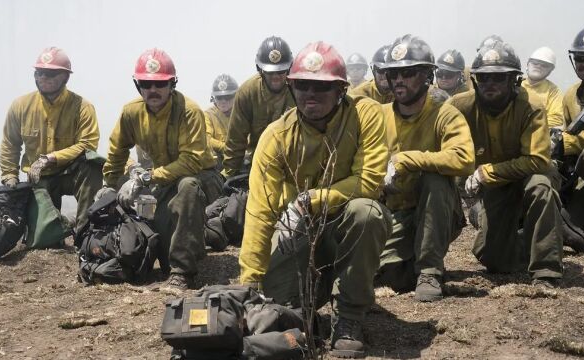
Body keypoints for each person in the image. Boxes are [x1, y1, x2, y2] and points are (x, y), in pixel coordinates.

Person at [239, 41, 390, 358]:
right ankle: (309, 304)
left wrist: (316, 199)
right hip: (301, 232)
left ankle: (349, 318)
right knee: (279, 310)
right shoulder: (276, 135)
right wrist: (248, 285)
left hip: (345, 226)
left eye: (321, 87)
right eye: (302, 85)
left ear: (341, 90)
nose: (310, 94)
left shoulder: (367, 115)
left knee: (368, 212)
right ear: (291, 88)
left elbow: (370, 180)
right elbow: (259, 212)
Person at [102, 48, 222, 290]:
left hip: (200, 177)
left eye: (160, 84)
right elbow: (117, 151)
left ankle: (183, 274)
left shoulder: (189, 111)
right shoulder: (131, 112)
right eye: (146, 84)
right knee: (161, 257)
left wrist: (145, 178)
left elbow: (191, 161)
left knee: (188, 187)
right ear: (138, 86)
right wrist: (108, 185)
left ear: (172, 84)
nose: (153, 90)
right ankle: (189, 243)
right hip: (162, 181)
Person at [448, 41, 564, 288]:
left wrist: (486, 172)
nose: (490, 84)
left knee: (540, 187)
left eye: (499, 78)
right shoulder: (459, 106)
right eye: (484, 78)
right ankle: (553, 233)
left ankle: (546, 270)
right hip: (498, 183)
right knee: (493, 259)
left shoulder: (532, 105)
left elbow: (537, 160)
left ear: (514, 80)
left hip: (531, 173)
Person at [376, 35, 475, 302]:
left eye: (407, 73)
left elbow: (464, 158)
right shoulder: (378, 115)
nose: (398, 80)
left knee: (436, 177)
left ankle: (429, 271)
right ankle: (410, 264)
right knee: (381, 274)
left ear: (426, 76)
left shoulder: (445, 113)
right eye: (393, 73)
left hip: (434, 210)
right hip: (393, 212)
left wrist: (408, 160)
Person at [0, 46, 102, 235]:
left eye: (50, 73)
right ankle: (63, 225)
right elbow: (10, 143)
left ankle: (85, 231)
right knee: (44, 238)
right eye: (39, 72)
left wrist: (50, 158)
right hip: (40, 178)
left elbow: (88, 145)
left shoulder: (83, 107)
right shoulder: (21, 106)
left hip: (72, 174)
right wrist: (9, 176)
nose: (43, 77)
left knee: (92, 166)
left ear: (65, 77)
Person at [555, 23, 584, 250]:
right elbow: (565, 136)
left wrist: (572, 142)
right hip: (583, 176)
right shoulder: (571, 94)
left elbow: (572, 142)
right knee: (575, 229)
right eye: (581, 57)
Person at [222, 36, 296, 177]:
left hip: (294, 164)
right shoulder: (247, 92)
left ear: (289, 69)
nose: (276, 76)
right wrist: (230, 176)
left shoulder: (300, 90)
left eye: (281, 71)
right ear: (260, 69)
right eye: (270, 72)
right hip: (257, 163)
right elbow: (235, 141)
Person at [521, 47, 564, 128]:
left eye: (544, 65)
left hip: (536, 135)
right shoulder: (515, 85)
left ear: (550, 70)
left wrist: (529, 124)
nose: (538, 66)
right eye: (535, 63)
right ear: (528, 64)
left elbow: (556, 118)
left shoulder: (553, 90)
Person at [205, 74, 238, 168]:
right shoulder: (208, 115)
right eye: (219, 97)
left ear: (236, 96)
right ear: (213, 98)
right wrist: (227, 148)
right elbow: (207, 140)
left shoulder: (243, 113)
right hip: (219, 164)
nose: (223, 101)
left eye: (227, 97)